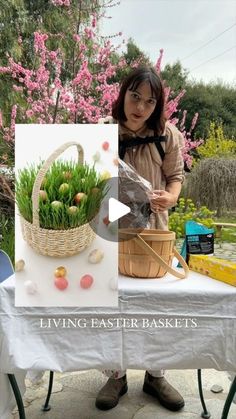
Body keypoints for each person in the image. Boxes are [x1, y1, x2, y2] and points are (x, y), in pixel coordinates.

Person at [96, 66, 185, 412]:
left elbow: (175, 176)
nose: (141, 108)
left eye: (150, 101)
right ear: (123, 95)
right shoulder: (103, 131)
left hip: (154, 232)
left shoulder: (168, 135)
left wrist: (172, 197)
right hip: (111, 232)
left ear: (157, 104)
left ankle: (155, 374)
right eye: (135, 97)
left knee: (156, 306)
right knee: (111, 305)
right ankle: (115, 374)